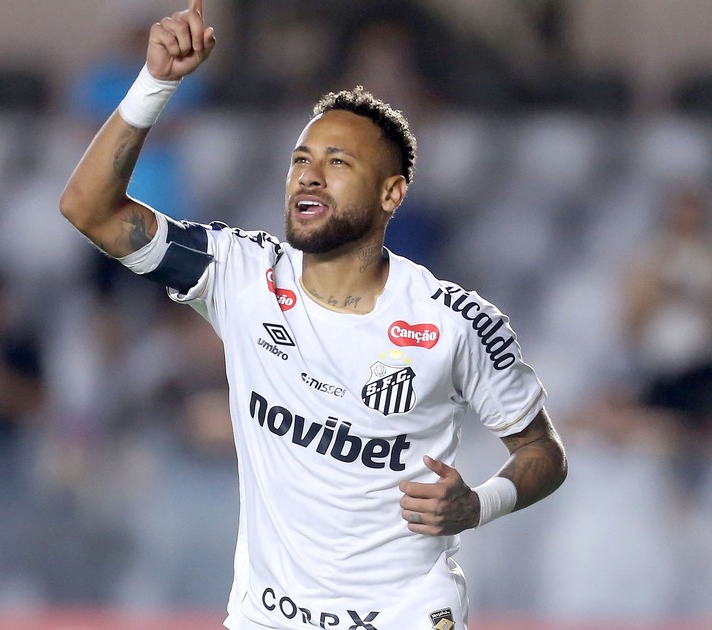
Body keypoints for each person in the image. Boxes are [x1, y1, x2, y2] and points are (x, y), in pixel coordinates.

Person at [58, 2, 568, 628]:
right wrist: (156, 83)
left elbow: (543, 451)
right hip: (268, 617)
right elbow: (88, 209)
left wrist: (478, 504)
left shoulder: (457, 322)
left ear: (391, 193)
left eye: (339, 163)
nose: (310, 177)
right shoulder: (240, 275)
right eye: (301, 159)